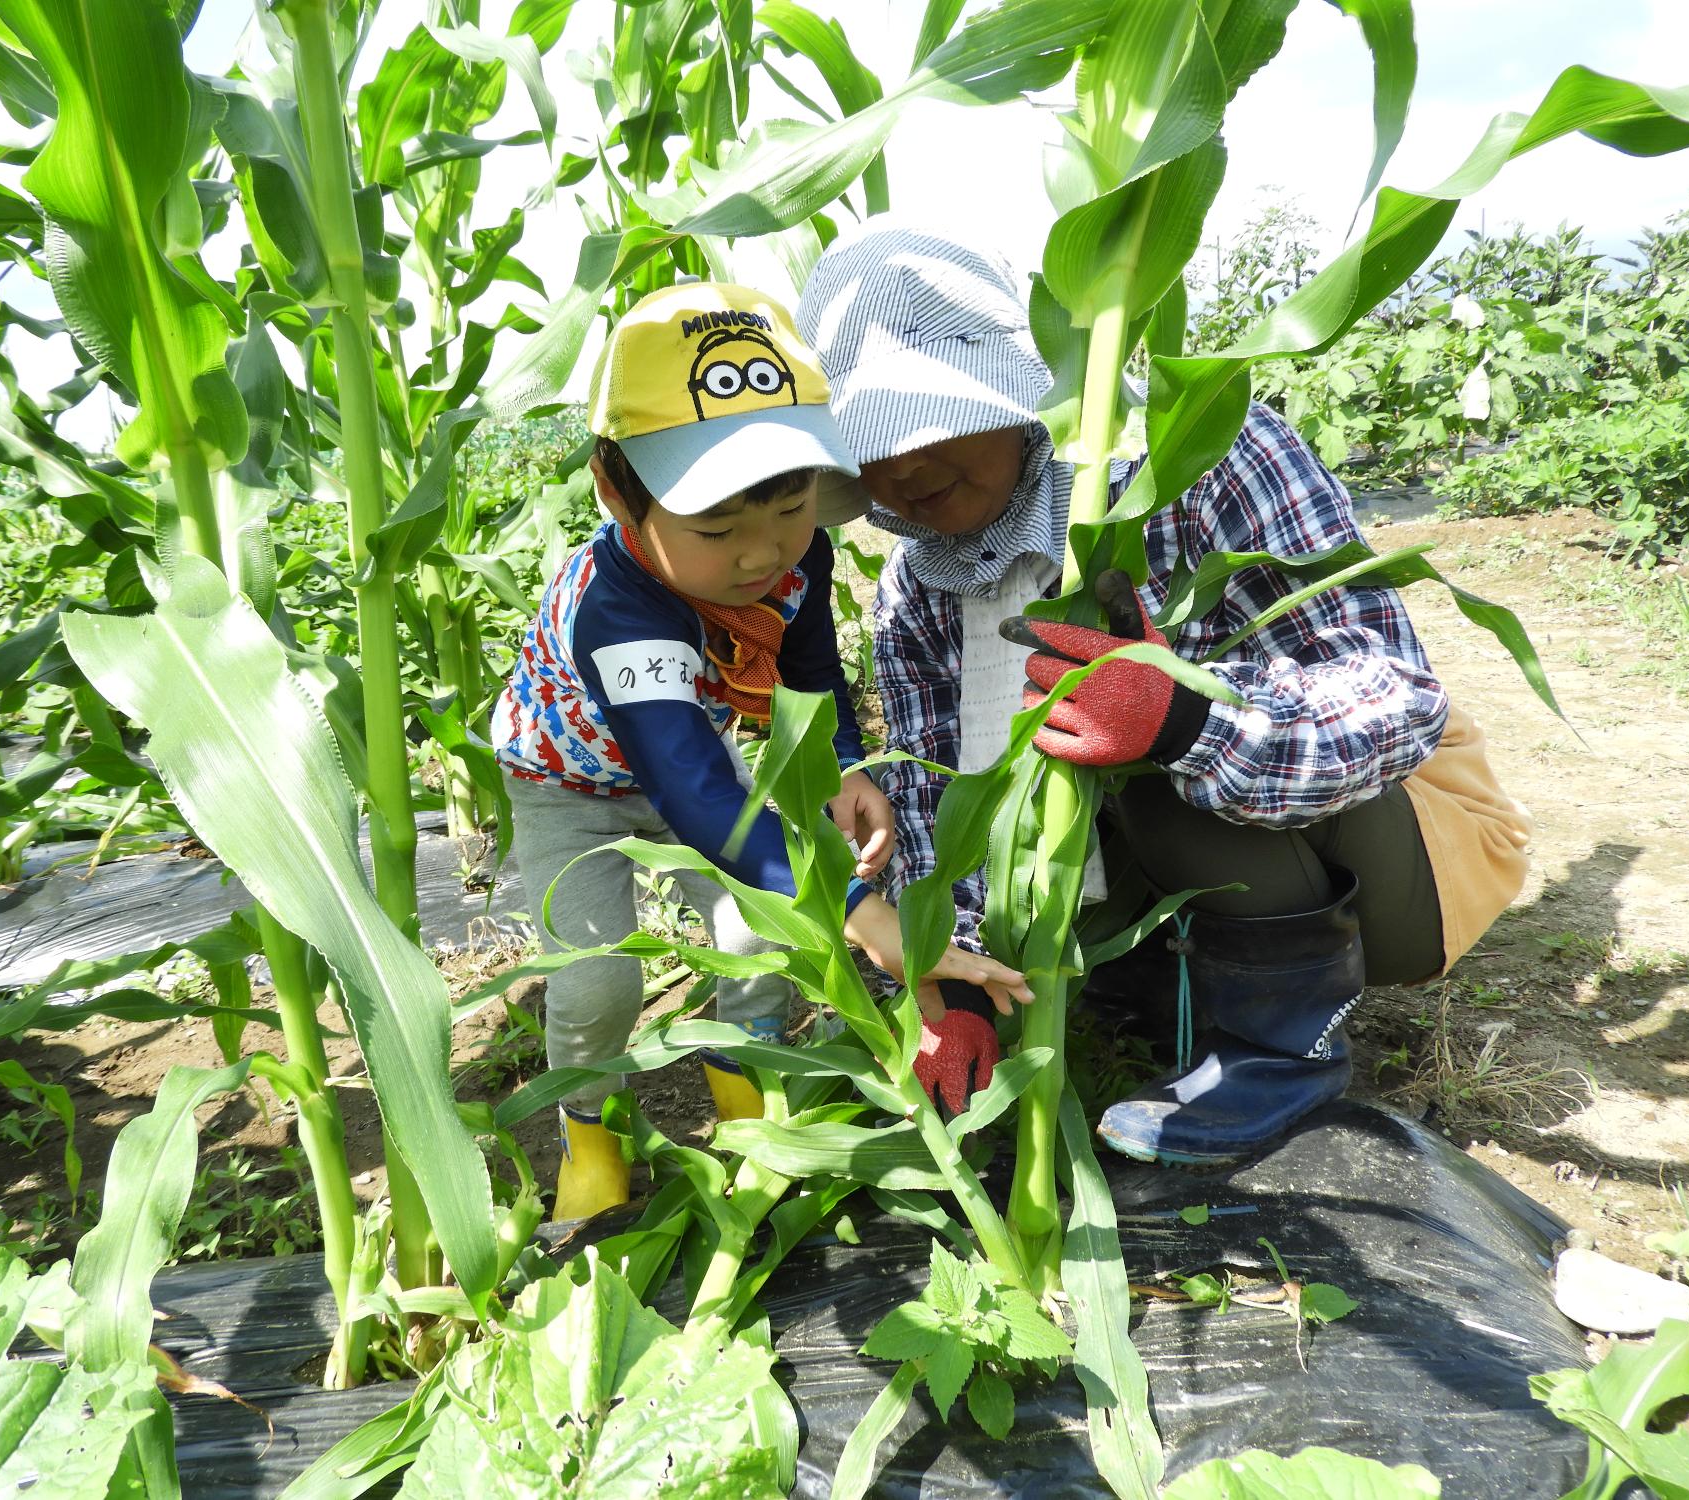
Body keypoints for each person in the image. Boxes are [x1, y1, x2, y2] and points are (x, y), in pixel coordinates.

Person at [795, 221, 1533, 1167]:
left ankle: (1280, 1051)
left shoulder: (1208, 453)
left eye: (926, 421)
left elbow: (1395, 699)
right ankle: (1164, 986)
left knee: (1128, 734)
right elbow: (945, 803)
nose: (900, 468)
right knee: (1058, 776)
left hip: (1402, 861)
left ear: (1020, 389)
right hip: (1172, 898)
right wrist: (963, 992)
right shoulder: (917, 590)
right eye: (866, 444)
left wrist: (1186, 715)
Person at [492, 282, 1033, 1220]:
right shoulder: (621, 612)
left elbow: (810, 663)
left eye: (790, 509)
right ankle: (590, 1126)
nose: (762, 555)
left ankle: (746, 1077)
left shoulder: (798, 553)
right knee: (596, 982)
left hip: (691, 750)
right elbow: (695, 793)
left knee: (759, 937)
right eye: (717, 530)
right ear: (618, 492)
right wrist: (862, 911)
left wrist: (847, 765)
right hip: (570, 781)